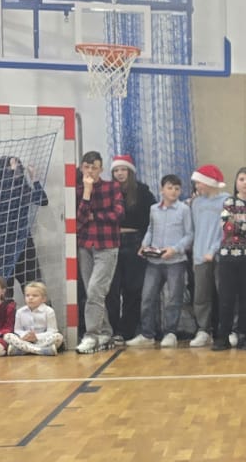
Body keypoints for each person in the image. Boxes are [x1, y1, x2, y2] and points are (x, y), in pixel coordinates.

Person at [134, 173, 192, 348]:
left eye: (177, 188)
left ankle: (170, 333)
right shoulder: (154, 209)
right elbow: (150, 229)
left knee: (173, 298)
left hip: (176, 261)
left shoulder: (184, 210)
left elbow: (190, 235)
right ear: (162, 189)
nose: (173, 191)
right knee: (147, 297)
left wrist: (174, 249)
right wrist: (144, 245)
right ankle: (148, 333)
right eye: (169, 188)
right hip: (155, 262)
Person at [75, 151, 124, 354]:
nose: (90, 171)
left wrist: (95, 216)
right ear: (81, 168)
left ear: (101, 169)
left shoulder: (112, 187)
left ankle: (91, 335)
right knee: (91, 292)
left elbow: (118, 214)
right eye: (86, 167)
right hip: (86, 245)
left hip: (107, 245)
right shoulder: (78, 190)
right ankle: (105, 331)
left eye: (94, 168)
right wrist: (87, 193)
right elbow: (79, 219)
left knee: (96, 290)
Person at [213, 167, 246, 352]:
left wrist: (239, 226)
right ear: (236, 182)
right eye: (242, 179)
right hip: (228, 258)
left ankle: (244, 336)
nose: (245, 182)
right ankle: (223, 337)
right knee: (226, 299)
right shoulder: (229, 202)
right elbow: (227, 228)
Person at [109, 155, 155, 346]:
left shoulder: (142, 192)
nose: (120, 173)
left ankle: (127, 331)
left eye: (123, 169)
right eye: (116, 170)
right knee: (112, 289)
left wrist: (145, 243)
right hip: (112, 242)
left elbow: (151, 220)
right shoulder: (108, 191)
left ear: (130, 172)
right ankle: (112, 329)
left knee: (133, 288)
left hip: (135, 242)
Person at [0, 155, 46, 301]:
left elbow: (43, 200)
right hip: (2, 245)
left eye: (19, 167)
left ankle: (43, 315)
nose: (16, 170)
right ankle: (6, 316)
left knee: (34, 286)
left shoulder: (22, 190)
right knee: (5, 291)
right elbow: (6, 200)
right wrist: (13, 175)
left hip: (23, 242)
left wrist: (35, 180)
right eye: (11, 168)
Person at [187, 164, 227, 348]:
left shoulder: (227, 201)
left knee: (224, 293)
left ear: (209, 182)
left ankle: (227, 329)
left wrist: (213, 249)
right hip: (200, 256)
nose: (197, 187)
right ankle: (203, 329)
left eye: (199, 183)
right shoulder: (196, 203)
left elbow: (225, 231)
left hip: (221, 255)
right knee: (201, 295)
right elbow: (193, 228)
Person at [6, 281, 62, 356]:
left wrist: (36, 337)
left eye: (35, 295)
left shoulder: (49, 311)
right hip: (25, 341)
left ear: (43, 299)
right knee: (8, 336)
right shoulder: (20, 312)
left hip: (42, 341)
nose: (30, 298)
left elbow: (52, 330)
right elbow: (17, 330)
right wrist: (25, 336)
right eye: (27, 295)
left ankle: (24, 350)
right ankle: (41, 351)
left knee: (58, 337)